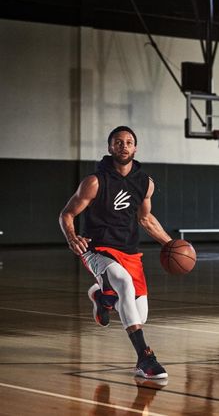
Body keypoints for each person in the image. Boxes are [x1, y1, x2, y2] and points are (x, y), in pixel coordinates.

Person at [59, 125, 172, 379]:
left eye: (129, 142)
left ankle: (100, 295)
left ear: (135, 148)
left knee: (138, 314)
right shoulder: (95, 181)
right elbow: (67, 213)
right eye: (118, 142)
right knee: (122, 283)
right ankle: (145, 357)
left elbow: (145, 219)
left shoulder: (145, 183)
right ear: (110, 148)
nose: (123, 146)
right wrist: (72, 237)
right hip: (96, 249)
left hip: (129, 253)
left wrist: (170, 243)